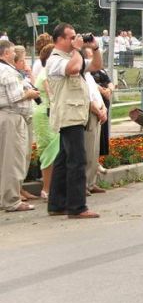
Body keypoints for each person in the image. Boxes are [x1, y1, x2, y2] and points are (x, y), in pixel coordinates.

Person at [46, 23, 103, 219]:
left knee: (63, 160)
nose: (74, 40)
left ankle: (56, 204)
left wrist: (94, 48)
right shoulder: (54, 60)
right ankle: (77, 207)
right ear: (59, 39)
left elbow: (96, 66)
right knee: (77, 160)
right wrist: (78, 50)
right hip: (68, 116)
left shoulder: (73, 56)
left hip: (76, 115)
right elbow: (73, 69)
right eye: (71, 37)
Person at [0, 39, 41, 212]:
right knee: (12, 160)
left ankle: (6, 198)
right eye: (12, 52)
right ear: (6, 53)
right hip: (12, 117)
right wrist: (30, 93)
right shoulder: (8, 72)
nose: (15, 55)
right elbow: (15, 96)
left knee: (5, 159)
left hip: (8, 117)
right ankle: (11, 200)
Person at [33, 43, 58, 199]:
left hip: (50, 114)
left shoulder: (48, 73)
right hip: (44, 114)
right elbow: (51, 95)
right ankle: (47, 189)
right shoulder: (45, 75)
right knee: (48, 151)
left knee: (54, 150)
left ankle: (52, 188)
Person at [81, 46, 107, 194]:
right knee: (88, 150)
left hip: (98, 113)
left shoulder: (89, 76)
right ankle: (84, 184)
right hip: (91, 114)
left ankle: (91, 182)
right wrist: (98, 111)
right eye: (90, 57)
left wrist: (104, 109)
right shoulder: (82, 76)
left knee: (95, 151)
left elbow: (96, 94)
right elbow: (87, 98)